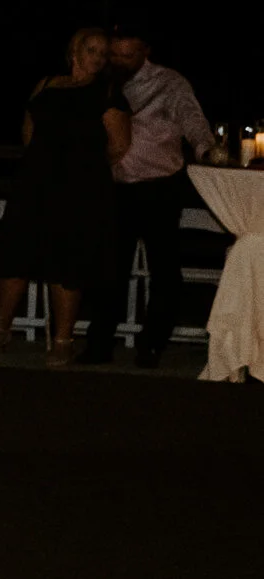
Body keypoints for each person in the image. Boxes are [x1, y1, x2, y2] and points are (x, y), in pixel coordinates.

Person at [0, 27, 132, 364]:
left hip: (79, 188)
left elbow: (120, 144)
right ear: (74, 50)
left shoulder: (107, 92)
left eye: (103, 52)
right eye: (91, 49)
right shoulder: (47, 84)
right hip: (35, 183)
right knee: (16, 252)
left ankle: (63, 340)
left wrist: (84, 168)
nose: (97, 57)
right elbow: (28, 131)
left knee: (67, 260)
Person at [84, 25, 212, 367]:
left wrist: (206, 149)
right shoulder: (102, 80)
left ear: (145, 53)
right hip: (114, 187)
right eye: (115, 54)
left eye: (128, 55)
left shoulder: (170, 82)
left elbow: (192, 119)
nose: (119, 61)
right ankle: (99, 344)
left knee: (165, 270)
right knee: (109, 269)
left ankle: (152, 343)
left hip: (159, 187)